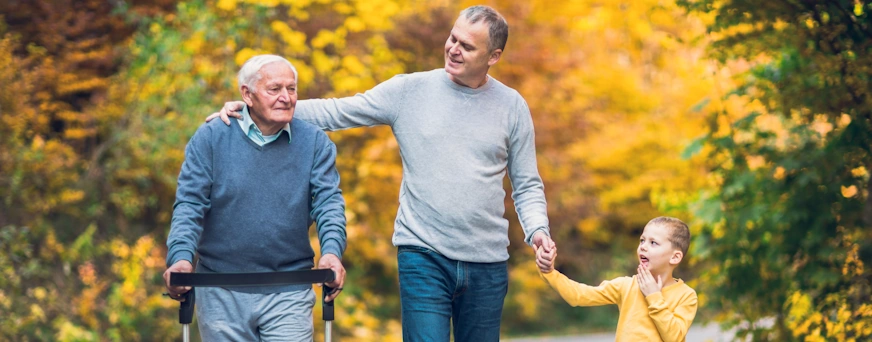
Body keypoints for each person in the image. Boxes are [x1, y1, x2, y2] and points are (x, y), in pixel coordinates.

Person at [209, 5, 556, 341]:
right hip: (423, 254)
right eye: (453, 38)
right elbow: (337, 112)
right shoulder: (409, 91)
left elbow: (526, 185)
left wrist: (538, 231)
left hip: (488, 262)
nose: (453, 49)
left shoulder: (512, 106)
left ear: (493, 56)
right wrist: (255, 107)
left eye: (467, 46)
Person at [163, 54, 347, 341]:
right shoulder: (211, 138)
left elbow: (328, 204)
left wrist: (332, 252)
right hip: (220, 290)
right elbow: (190, 204)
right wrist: (181, 258)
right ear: (246, 94)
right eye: (274, 89)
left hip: (289, 287)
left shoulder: (314, 143)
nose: (286, 97)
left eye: (292, 89)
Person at [535, 216, 698, 342]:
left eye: (653, 243)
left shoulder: (686, 296)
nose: (643, 246)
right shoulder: (626, 285)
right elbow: (579, 295)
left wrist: (653, 296)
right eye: (642, 240)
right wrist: (549, 272)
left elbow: (674, 337)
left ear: (675, 257)